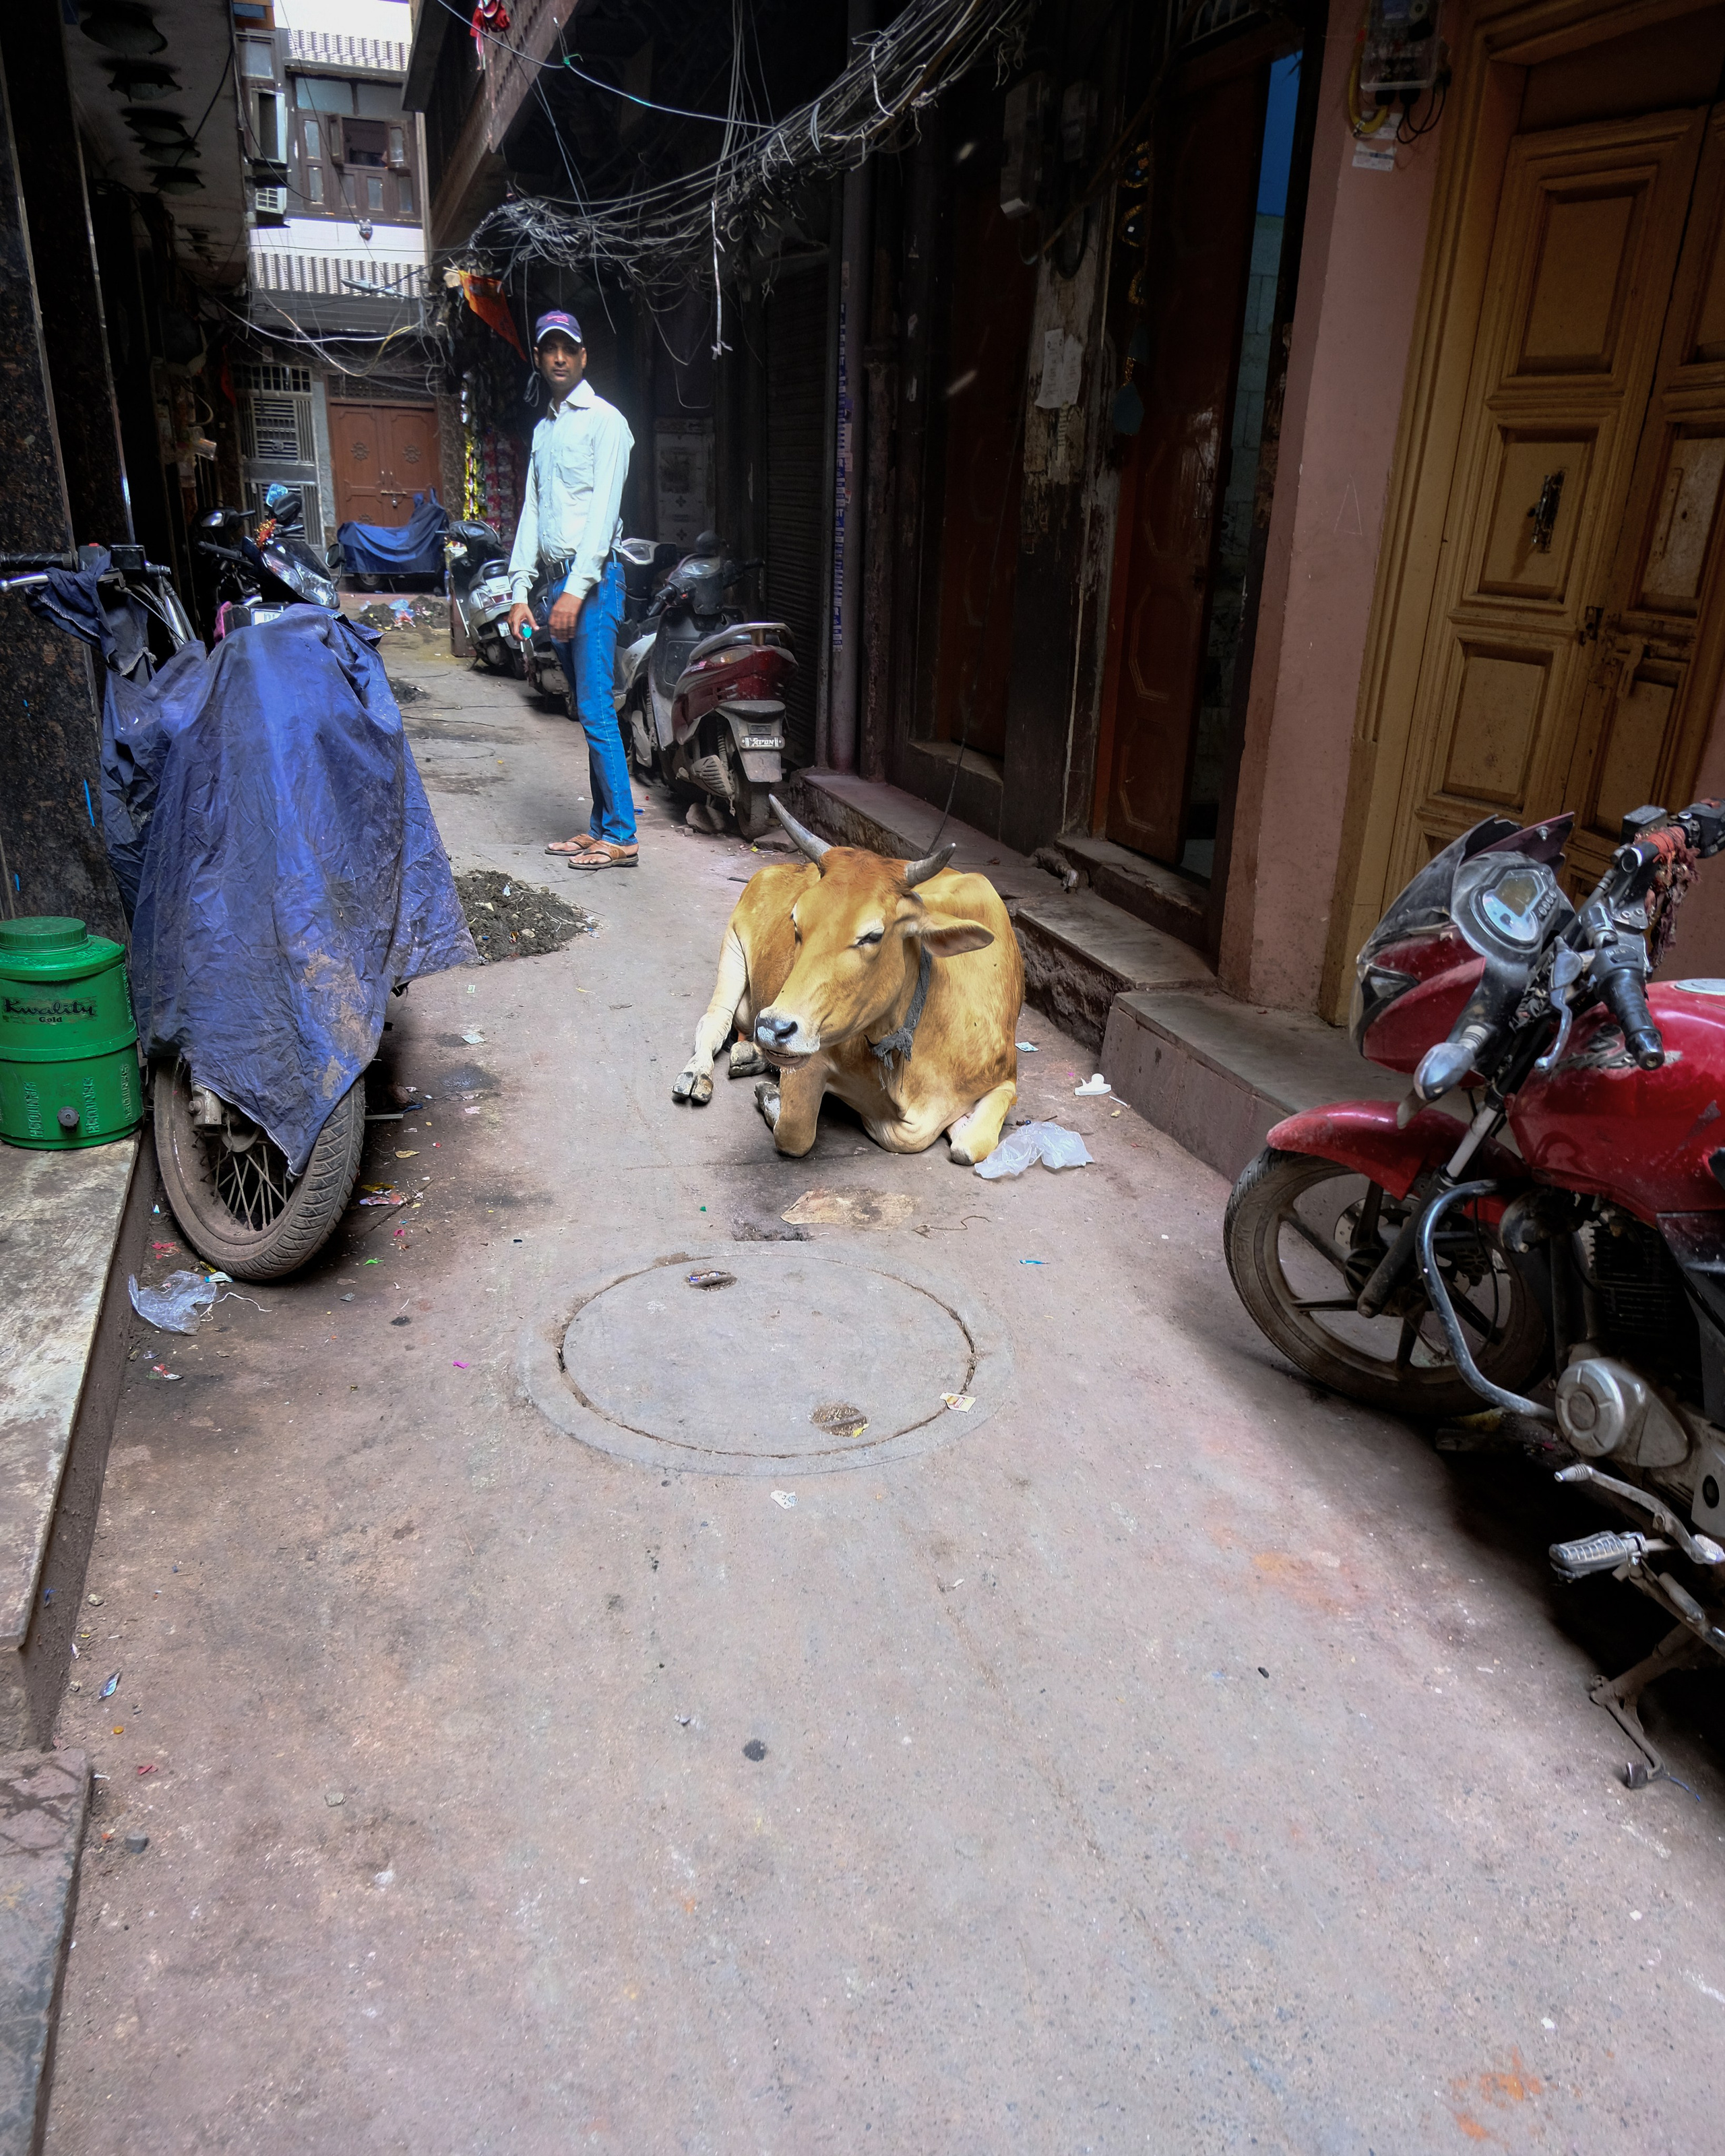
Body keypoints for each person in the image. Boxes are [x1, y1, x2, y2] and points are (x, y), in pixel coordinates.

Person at [505, 311, 638, 868]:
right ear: (540, 358)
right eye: (549, 349)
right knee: (587, 710)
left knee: (596, 709)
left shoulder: (608, 423)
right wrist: (519, 588)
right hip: (556, 582)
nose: (559, 357)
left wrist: (575, 590)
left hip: (595, 583)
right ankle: (600, 826)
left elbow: (604, 514)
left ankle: (623, 835)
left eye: (568, 348)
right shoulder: (544, 432)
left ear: (583, 357)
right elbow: (533, 513)